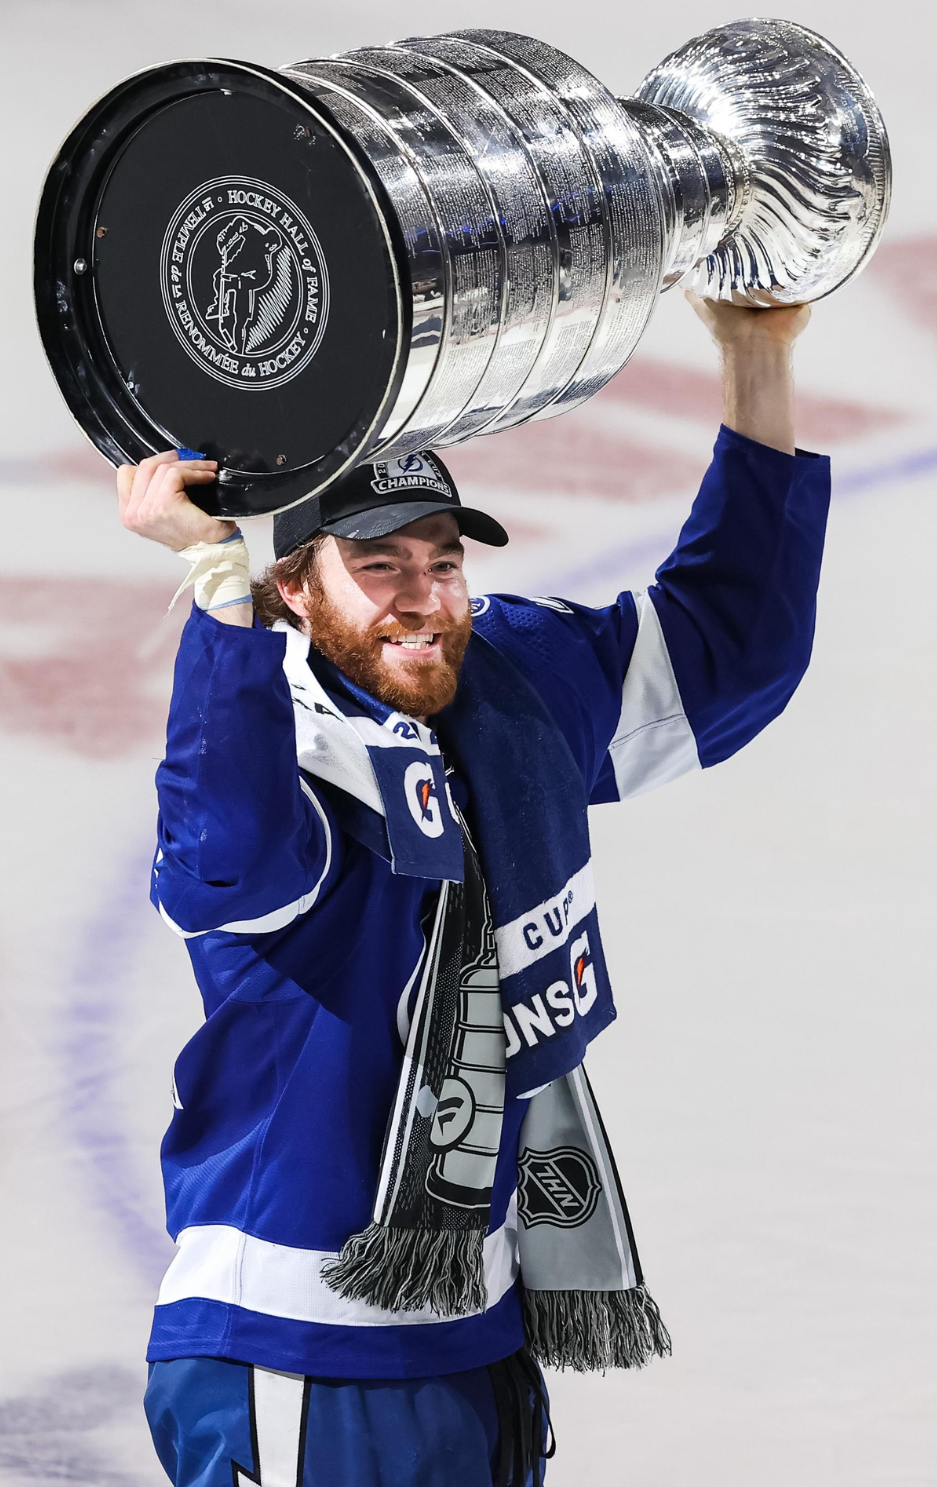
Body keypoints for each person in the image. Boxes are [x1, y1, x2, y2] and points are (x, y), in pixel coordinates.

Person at [118, 294, 827, 1487]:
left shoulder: (506, 688)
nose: (424, 598)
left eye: (443, 563)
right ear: (297, 586)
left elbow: (725, 648)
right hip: (296, 1348)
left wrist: (756, 356)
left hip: (477, 1322)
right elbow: (225, 845)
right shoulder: (288, 744)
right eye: (377, 566)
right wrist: (210, 578)